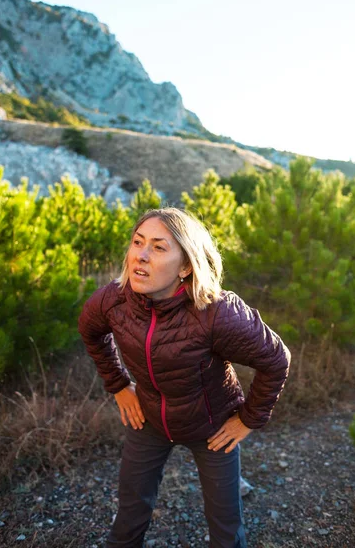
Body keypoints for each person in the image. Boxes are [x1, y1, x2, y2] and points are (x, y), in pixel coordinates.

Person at [78, 207, 291, 548]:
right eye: (138, 242)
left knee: (225, 526)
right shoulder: (114, 301)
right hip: (149, 419)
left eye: (159, 247)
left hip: (213, 428)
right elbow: (91, 332)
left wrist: (248, 419)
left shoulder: (217, 313)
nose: (141, 256)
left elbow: (277, 360)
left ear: (186, 266)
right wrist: (118, 385)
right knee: (130, 512)